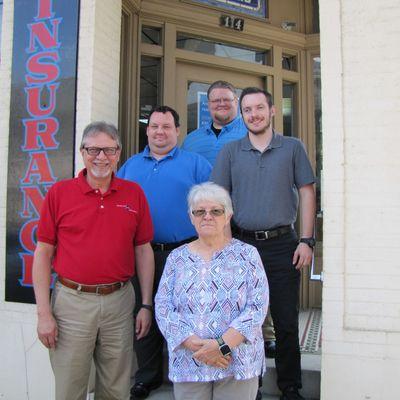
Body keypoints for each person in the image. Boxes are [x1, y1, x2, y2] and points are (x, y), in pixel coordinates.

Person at [32, 122, 155, 400]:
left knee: (116, 389)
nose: (101, 157)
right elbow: (43, 254)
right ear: (82, 152)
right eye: (94, 149)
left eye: (109, 150)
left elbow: (143, 250)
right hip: (71, 304)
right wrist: (43, 314)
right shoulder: (59, 193)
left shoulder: (133, 193)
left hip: (120, 301)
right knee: (69, 388)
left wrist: (145, 303)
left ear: (119, 153)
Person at [211, 87, 316, 400]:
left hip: (283, 243)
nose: (253, 114)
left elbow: (308, 192)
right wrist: (223, 246)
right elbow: (219, 201)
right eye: (247, 110)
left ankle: (290, 387)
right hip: (242, 246)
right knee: (244, 322)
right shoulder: (230, 151)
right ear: (241, 114)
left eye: (259, 108)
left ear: (272, 110)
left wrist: (308, 240)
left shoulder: (292, 148)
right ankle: (248, 385)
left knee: (285, 321)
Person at [117, 106, 212, 399]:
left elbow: (213, 208)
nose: (160, 132)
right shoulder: (130, 166)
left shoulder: (196, 164)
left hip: (184, 253)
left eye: (167, 127)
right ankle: (147, 377)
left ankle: (186, 374)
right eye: (155, 126)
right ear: (147, 130)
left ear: (177, 131)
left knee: (185, 315)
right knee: (143, 314)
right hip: (140, 253)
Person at [155, 182, 269, 400]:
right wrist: (195, 345)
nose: (207, 216)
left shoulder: (247, 255)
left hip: (237, 361)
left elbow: (257, 307)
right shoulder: (176, 258)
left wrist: (221, 346)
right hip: (190, 359)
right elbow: (163, 307)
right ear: (191, 217)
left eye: (216, 211)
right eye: (200, 212)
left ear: (228, 216)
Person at [181, 80, 247, 165]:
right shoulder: (190, 140)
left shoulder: (252, 133)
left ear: (236, 102)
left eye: (226, 99)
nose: (222, 104)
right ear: (208, 104)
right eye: (216, 100)